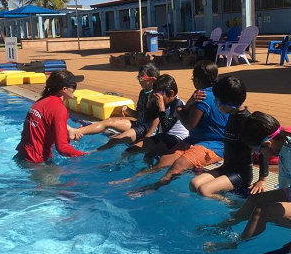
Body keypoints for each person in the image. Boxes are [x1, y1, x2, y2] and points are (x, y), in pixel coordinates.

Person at [206, 112, 291, 251]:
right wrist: (281, 202)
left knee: (263, 211)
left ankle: (235, 245)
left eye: (257, 150)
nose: (258, 154)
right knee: (254, 199)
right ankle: (225, 224)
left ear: (267, 143)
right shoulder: (285, 142)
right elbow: (284, 177)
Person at [114, 60, 228, 195]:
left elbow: (189, 125)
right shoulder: (207, 94)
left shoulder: (202, 97)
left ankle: (150, 189)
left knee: (176, 166)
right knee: (162, 160)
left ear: (197, 79)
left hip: (212, 145)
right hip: (195, 140)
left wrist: (178, 110)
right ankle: (131, 180)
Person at [189, 76, 268, 201]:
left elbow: (264, 149)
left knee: (204, 190)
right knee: (194, 184)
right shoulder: (231, 114)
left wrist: (262, 180)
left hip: (240, 174)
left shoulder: (247, 122)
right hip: (226, 167)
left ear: (230, 104)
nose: (215, 104)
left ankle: (234, 205)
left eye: (217, 101)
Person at [76, 64, 160, 151]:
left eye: (141, 78)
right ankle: (77, 131)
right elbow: (139, 115)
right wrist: (128, 110)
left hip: (147, 129)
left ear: (152, 79)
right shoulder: (143, 92)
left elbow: (157, 118)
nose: (139, 81)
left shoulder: (156, 95)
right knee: (109, 121)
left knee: (114, 140)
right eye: (138, 77)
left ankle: (91, 153)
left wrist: (148, 137)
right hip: (139, 123)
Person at [15, 70, 89, 163]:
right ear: (64, 89)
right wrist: (84, 155)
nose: (75, 88)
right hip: (36, 162)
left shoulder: (41, 101)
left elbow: (43, 129)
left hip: (21, 155)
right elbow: (62, 148)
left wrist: (67, 135)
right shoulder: (59, 109)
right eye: (73, 85)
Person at [124, 74, 189, 158]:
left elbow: (166, 127)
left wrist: (161, 107)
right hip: (164, 136)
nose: (157, 99)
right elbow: (147, 119)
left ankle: (146, 170)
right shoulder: (164, 102)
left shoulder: (177, 104)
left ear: (171, 93)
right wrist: (148, 105)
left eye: (158, 96)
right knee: (130, 150)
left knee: (149, 156)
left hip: (177, 138)